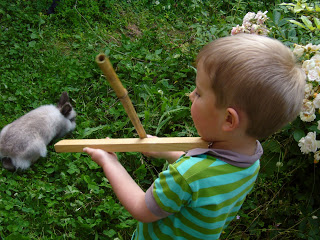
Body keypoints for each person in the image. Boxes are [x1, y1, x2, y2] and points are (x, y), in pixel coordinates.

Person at [84, 34, 306, 239]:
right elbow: (205, 184)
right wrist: (169, 152)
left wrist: (109, 162)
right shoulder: (251, 159)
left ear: (229, 120)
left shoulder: (186, 176)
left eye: (199, 92)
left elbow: (142, 208)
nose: (191, 95)